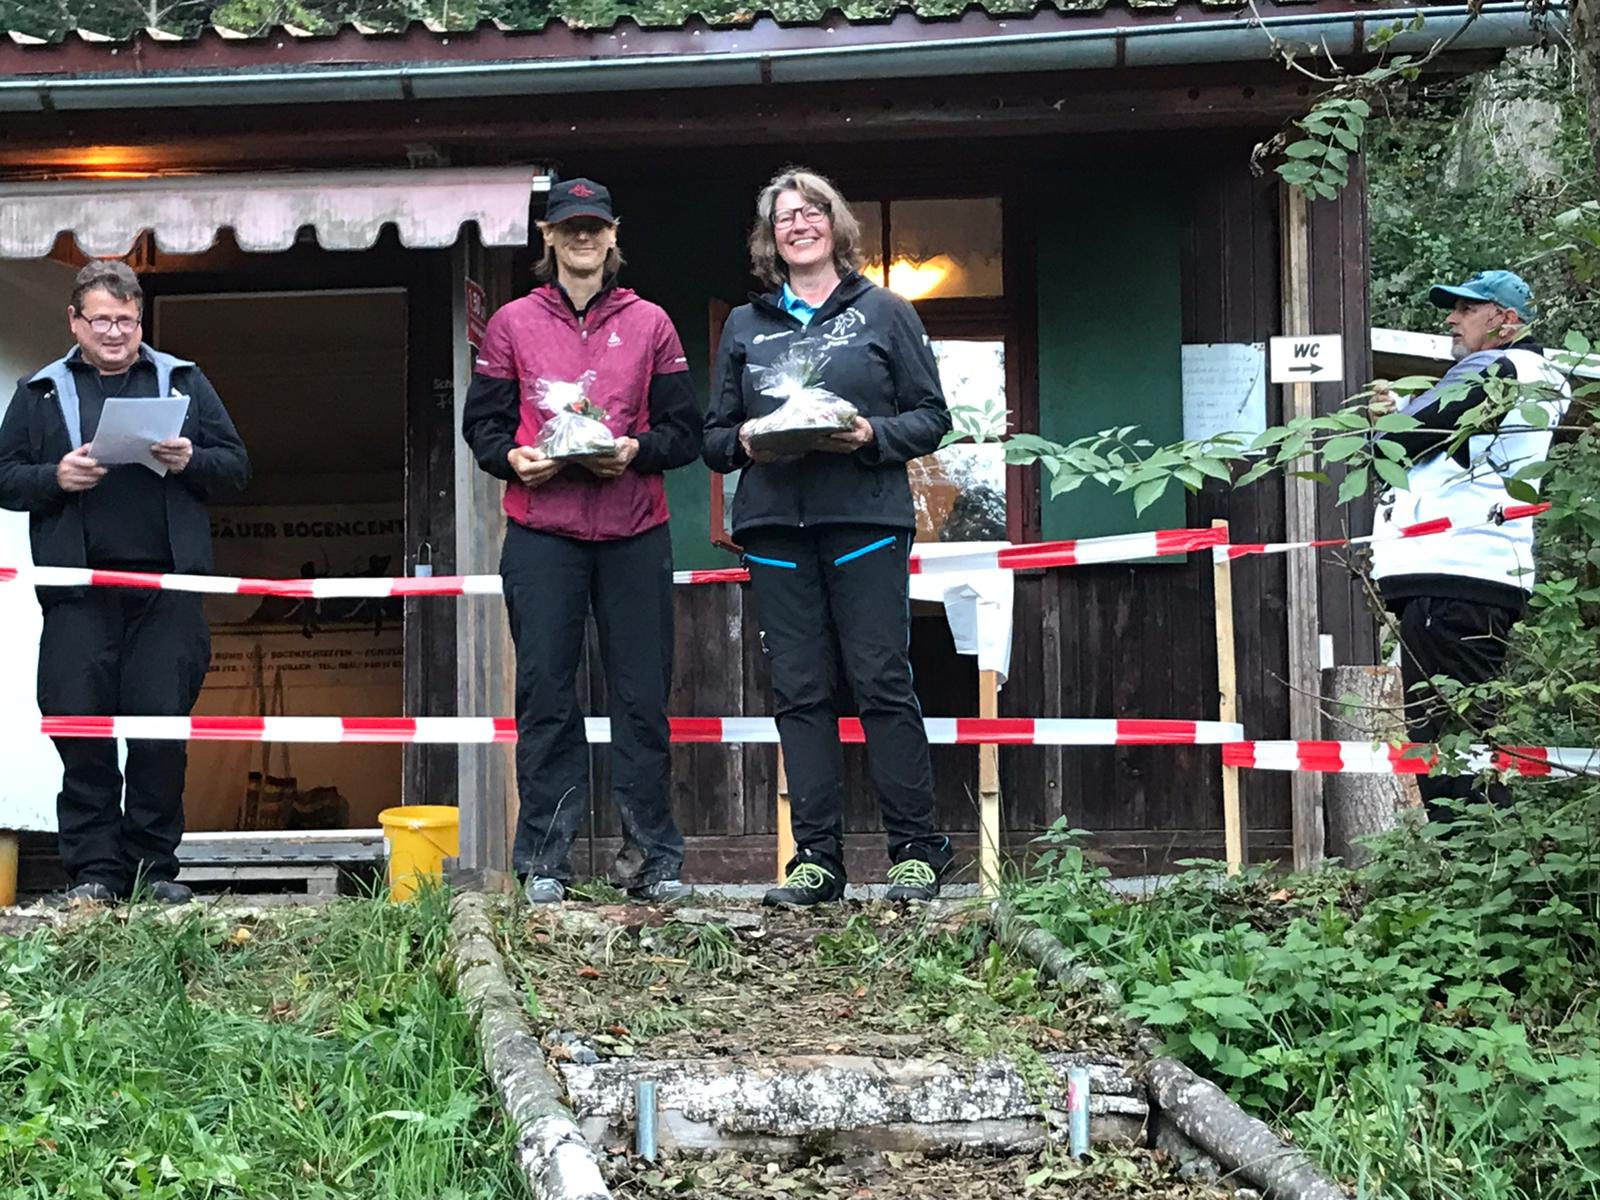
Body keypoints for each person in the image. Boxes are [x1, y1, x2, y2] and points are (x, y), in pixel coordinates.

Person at [704, 167, 953, 907]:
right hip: (775, 528)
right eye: (784, 217)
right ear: (769, 237)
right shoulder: (745, 325)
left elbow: (932, 417)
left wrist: (872, 433)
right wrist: (747, 439)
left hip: (865, 521)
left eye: (812, 211)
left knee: (881, 681)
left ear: (835, 224)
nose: (799, 224)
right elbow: (713, 439)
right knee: (800, 691)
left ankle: (916, 851)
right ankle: (816, 860)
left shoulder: (886, 312)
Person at [461, 178, 701, 905]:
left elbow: (684, 432)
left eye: (595, 226)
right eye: (570, 227)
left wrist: (635, 450)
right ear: (548, 236)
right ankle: (545, 862)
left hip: (636, 530)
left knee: (642, 697)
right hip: (543, 532)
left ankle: (653, 860)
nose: (584, 238)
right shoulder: (511, 323)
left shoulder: (653, 323)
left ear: (613, 234)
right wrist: (512, 459)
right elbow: (483, 427)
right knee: (544, 694)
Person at [0, 259, 250, 903]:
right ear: (74, 322)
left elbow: (236, 468)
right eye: (102, 320)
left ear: (141, 320)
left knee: (160, 733)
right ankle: (94, 873)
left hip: (167, 593)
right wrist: (54, 477)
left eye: (127, 320)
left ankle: (152, 871)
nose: (115, 332)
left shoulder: (183, 380)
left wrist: (191, 460)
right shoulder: (40, 391)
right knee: (79, 728)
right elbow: (5, 478)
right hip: (77, 592)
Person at [1370, 269, 1571, 821]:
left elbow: (1399, 441)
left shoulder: (1497, 367)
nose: (1451, 319)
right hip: (1471, 574)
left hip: (1454, 575)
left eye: (1466, 308)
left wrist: (1384, 424)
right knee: (1464, 733)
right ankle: (1483, 856)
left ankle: (1470, 856)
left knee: (1448, 745)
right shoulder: (1533, 375)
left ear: (1506, 319)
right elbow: (1442, 436)